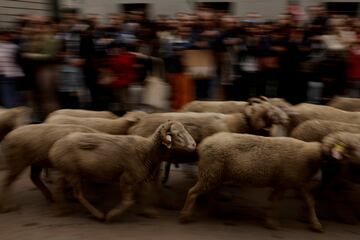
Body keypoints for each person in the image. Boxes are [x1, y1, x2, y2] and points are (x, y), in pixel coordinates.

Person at [0, 29, 24, 107]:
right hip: (12, 74)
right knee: (11, 92)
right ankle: (14, 108)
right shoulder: (14, 46)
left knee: (7, 92)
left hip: (6, 74)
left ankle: (11, 108)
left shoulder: (12, 47)